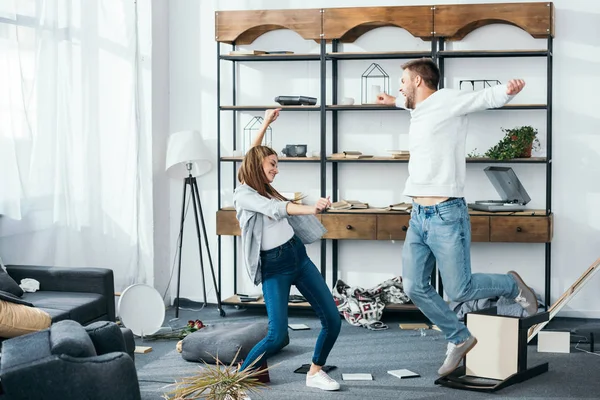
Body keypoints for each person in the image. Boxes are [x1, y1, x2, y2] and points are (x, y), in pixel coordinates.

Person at [376, 58, 538, 376]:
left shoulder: (447, 100)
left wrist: (507, 90)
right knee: (414, 286)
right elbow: (408, 104)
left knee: (460, 290)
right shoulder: (417, 108)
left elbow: (483, 98)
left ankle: (512, 285)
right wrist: (391, 101)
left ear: (419, 81)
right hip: (418, 214)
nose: (399, 86)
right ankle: (459, 337)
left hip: (446, 214)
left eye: (403, 81)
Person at [233, 108, 341, 391]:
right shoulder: (245, 193)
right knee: (276, 334)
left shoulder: (263, 184)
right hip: (274, 267)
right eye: (273, 164)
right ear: (259, 165)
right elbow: (277, 209)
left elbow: (253, 152)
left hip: (298, 258)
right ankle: (236, 382)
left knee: (332, 319)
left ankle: (315, 371)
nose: (276, 170)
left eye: (277, 164)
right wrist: (312, 207)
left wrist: (266, 122)